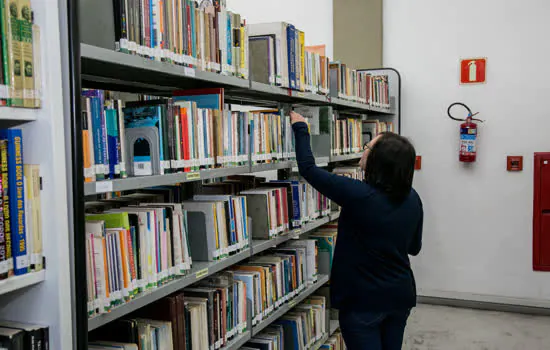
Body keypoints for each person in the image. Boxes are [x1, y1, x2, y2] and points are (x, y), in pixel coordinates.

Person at [290, 111, 423, 350]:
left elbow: (308, 169)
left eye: (368, 148)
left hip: (363, 302)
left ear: (379, 161)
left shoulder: (359, 195)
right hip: (399, 297)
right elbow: (414, 247)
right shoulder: (413, 198)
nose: (363, 151)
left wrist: (300, 128)